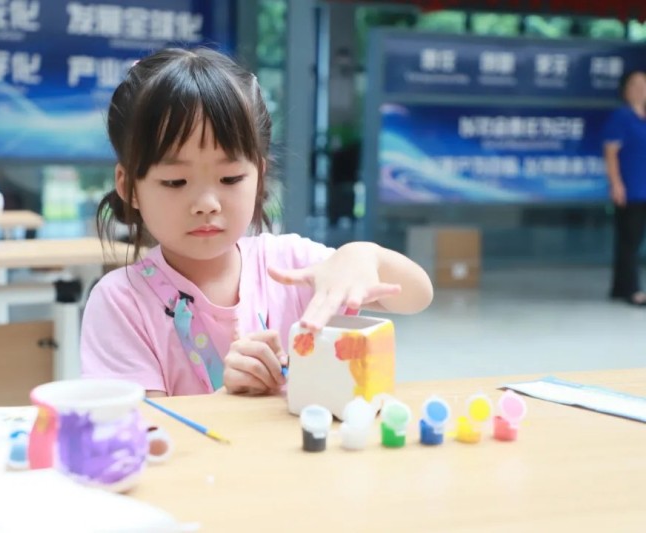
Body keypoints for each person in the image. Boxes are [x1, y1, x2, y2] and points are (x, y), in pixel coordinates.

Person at [81, 48, 433, 397]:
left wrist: (364, 256)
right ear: (129, 186)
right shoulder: (121, 302)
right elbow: (142, 427)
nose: (207, 204)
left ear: (259, 176)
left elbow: (417, 296)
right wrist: (228, 400)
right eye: (175, 182)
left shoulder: (289, 265)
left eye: (230, 178)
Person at [603, 70, 646, 307]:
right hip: (630, 189)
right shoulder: (622, 116)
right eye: (635, 85)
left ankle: (619, 288)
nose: (640, 89)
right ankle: (632, 290)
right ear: (625, 90)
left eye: (644, 85)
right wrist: (616, 183)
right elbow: (610, 153)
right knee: (630, 242)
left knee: (631, 241)